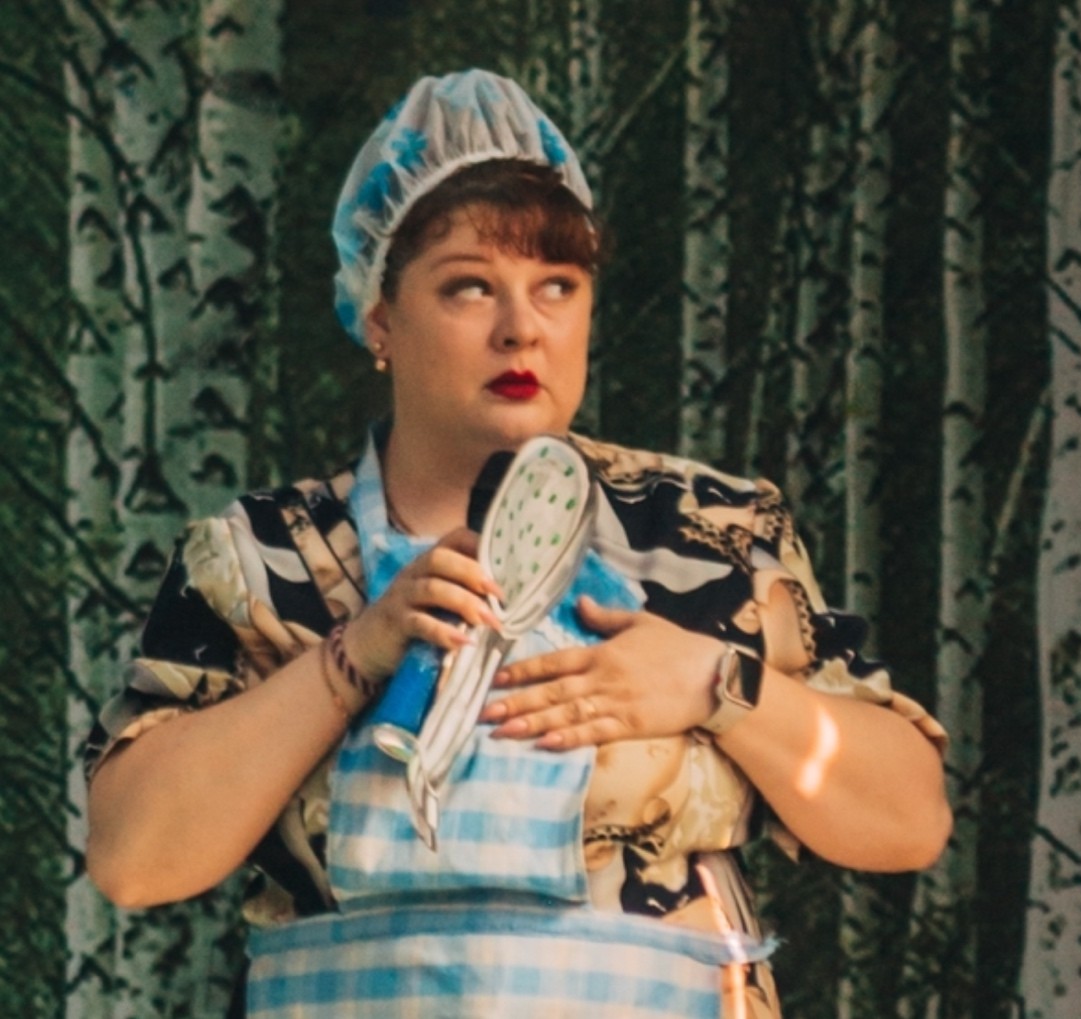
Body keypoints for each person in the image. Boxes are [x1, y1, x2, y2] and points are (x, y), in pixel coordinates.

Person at [85, 69, 950, 1018]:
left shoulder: (712, 535)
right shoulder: (263, 558)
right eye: (469, 287)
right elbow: (133, 859)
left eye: (556, 287)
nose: (521, 329)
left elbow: (907, 820)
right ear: (380, 315)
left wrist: (718, 682)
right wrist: (352, 657)